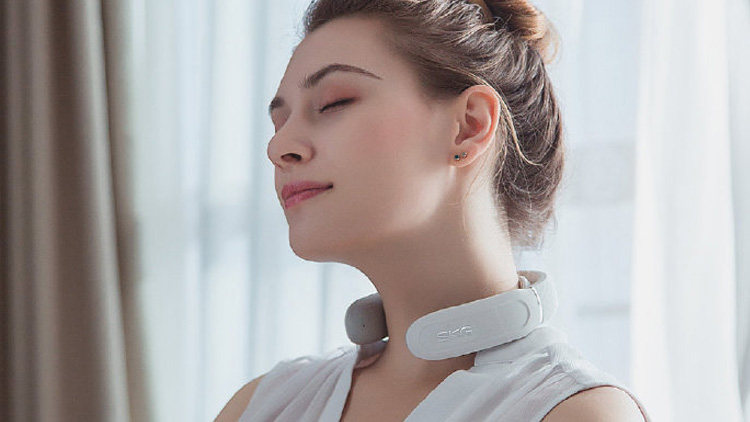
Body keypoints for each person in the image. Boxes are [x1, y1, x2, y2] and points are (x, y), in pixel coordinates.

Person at [217, 0, 651, 420]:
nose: (278, 147)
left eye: (334, 103)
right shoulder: (262, 405)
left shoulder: (573, 412)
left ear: (469, 126)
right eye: (280, 122)